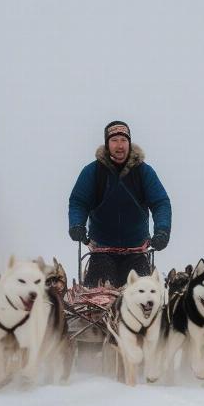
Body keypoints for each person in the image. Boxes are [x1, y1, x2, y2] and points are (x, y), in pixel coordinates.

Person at [68, 121, 171, 288]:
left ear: (129, 143)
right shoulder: (92, 172)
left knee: (141, 297)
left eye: (123, 140)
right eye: (114, 140)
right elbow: (79, 202)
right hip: (101, 250)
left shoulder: (144, 172)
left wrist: (162, 231)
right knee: (100, 297)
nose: (119, 145)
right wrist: (77, 224)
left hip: (136, 251)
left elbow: (160, 203)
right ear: (107, 145)